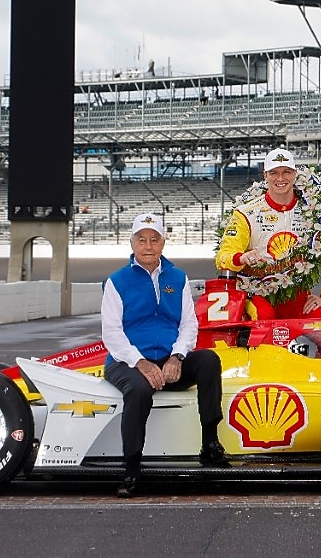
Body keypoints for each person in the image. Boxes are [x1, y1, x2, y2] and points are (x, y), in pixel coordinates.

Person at [102, 212, 227, 499]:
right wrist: (141, 363)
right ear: (132, 242)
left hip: (168, 361)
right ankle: (131, 468)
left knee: (209, 360)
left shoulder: (177, 277)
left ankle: (210, 443)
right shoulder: (116, 281)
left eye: (154, 239)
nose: (148, 245)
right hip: (126, 361)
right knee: (139, 389)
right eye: (142, 239)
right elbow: (111, 333)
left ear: (163, 242)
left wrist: (177, 357)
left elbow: (188, 324)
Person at [215, 148, 321, 319]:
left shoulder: (315, 212)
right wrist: (241, 258)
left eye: (286, 172)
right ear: (265, 175)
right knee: (264, 319)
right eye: (274, 173)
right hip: (257, 294)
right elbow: (223, 256)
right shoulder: (245, 213)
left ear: (295, 174)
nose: (280, 178)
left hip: (296, 295)